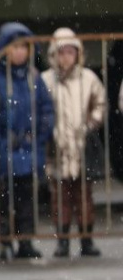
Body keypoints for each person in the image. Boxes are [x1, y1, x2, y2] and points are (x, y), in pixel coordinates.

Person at [0, 22, 54, 260]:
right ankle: (5, 239)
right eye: (14, 47)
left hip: (28, 150)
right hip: (2, 150)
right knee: (2, 199)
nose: (19, 52)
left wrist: (37, 135)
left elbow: (46, 110)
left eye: (23, 47)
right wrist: (0, 136)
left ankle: (26, 240)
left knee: (27, 199)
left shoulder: (34, 78)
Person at [41, 28, 106, 258]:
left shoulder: (88, 78)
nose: (66, 56)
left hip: (81, 145)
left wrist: (91, 123)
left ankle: (86, 239)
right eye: (62, 52)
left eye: (71, 51)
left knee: (84, 196)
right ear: (53, 54)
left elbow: (100, 103)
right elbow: (40, 109)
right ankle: (63, 240)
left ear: (78, 53)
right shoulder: (46, 80)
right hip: (57, 146)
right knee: (60, 197)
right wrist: (49, 129)